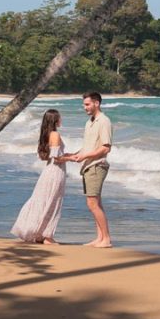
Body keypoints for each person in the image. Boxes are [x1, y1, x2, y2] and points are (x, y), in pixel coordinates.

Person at [11, 109, 67, 245]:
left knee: (44, 201)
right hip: (55, 171)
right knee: (52, 203)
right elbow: (57, 157)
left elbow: (52, 154)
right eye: (60, 117)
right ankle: (47, 236)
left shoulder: (47, 134)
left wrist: (71, 155)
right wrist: (72, 158)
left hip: (49, 170)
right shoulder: (54, 134)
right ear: (55, 120)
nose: (61, 120)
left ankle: (40, 234)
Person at [65, 91, 112, 248]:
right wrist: (74, 155)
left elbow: (105, 148)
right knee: (96, 203)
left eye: (87, 104)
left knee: (92, 204)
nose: (84, 107)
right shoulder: (89, 122)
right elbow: (87, 146)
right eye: (84, 104)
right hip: (89, 166)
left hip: (97, 166)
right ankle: (100, 238)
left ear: (96, 103)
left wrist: (85, 156)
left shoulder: (104, 121)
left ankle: (106, 239)